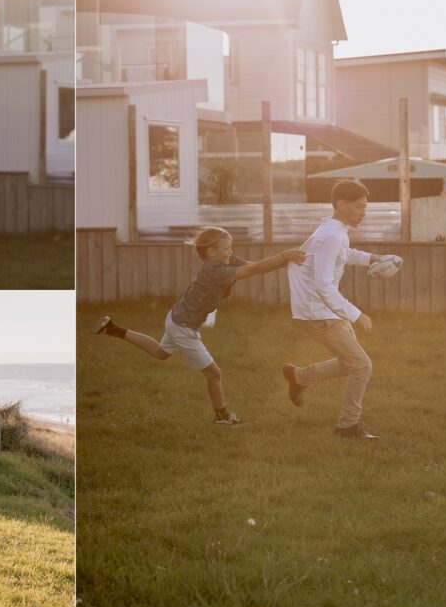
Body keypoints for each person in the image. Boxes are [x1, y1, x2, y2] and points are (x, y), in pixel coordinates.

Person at [94, 227, 306, 425]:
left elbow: (253, 266)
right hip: (183, 326)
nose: (230, 251)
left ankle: (113, 328)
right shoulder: (216, 272)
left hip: (176, 317)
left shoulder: (225, 261)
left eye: (230, 247)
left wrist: (285, 262)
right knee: (214, 374)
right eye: (226, 248)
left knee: (161, 352)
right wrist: (284, 256)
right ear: (211, 252)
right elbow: (255, 270)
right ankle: (222, 417)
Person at [282, 179, 391, 440]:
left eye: (365, 207)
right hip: (318, 313)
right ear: (341, 204)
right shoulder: (331, 235)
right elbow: (322, 284)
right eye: (359, 207)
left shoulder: (336, 231)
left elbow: (345, 255)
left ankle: (298, 377)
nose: (363, 213)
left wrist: (371, 258)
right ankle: (347, 427)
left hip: (325, 310)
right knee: (362, 366)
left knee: (350, 363)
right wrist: (356, 314)